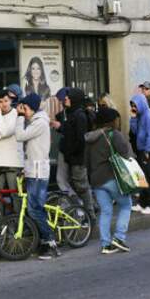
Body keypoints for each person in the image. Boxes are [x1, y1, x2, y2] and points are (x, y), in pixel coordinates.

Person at [14, 93, 57, 259]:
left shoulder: (39, 123)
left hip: (39, 173)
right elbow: (33, 149)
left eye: (24, 108)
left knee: (34, 209)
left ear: (31, 107)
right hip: (34, 170)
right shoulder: (36, 122)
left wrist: (18, 116)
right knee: (36, 208)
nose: (23, 111)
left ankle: (50, 242)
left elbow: (20, 136)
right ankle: (45, 240)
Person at [86, 107, 134, 254]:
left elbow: (86, 161)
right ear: (111, 121)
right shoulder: (113, 134)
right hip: (111, 177)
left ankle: (106, 244)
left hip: (95, 179)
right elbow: (125, 153)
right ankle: (119, 237)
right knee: (126, 205)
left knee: (106, 211)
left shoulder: (89, 138)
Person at [59, 88, 94, 222]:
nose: (65, 99)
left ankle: (90, 216)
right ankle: (82, 213)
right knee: (76, 186)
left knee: (82, 187)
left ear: (74, 99)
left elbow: (80, 140)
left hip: (77, 159)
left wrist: (71, 152)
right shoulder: (72, 113)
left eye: (68, 97)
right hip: (72, 158)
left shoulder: (79, 116)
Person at [129, 93, 150, 214]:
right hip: (144, 150)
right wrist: (133, 118)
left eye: (135, 105)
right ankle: (143, 203)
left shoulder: (149, 115)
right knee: (143, 178)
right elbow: (135, 131)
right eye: (132, 105)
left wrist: (147, 151)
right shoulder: (140, 115)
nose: (134, 108)